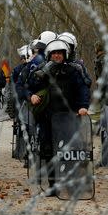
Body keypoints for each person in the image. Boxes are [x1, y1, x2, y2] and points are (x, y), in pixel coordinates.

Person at [28, 39, 90, 196]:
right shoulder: (42, 70)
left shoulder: (73, 70)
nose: (57, 56)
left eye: (60, 53)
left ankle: (70, 184)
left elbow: (82, 89)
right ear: (49, 55)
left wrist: (83, 106)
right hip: (47, 117)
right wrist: (32, 96)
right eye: (54, 53)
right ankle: (53, 185)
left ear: (65, 54)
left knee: (70, 151)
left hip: (69, 117)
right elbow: (29, 86)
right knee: (48, 151)